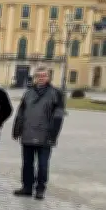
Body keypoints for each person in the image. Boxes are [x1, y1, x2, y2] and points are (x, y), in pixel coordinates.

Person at [12, 68, 65, 200]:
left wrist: (53, 134)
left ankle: (40, 189)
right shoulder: (28, 93)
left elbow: (58, 115)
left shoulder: (56, 93)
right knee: (27, 163)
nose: (41, 78)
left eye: (44, 75)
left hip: (45, 135)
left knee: (42, 164)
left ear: (48, 77)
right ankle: (27, 187)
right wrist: (17, 129)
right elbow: (21, 112)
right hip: (28, 133)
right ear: (35, 77)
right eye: (39, 75)